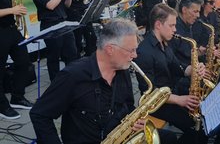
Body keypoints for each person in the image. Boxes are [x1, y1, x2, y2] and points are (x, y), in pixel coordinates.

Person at [30, 19, 177, 144]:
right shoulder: (73, 76)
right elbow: (39, 115)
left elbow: (127, 105)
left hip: (119, 135)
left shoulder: (123, 70)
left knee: (169, 138)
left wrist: (137, 121)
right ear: (110, 49)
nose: (135, 55)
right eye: (131, 50)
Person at [134, 4, 208, 144]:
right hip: (157, 105)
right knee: (197, 127)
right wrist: (179, 100)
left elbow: (180, 70)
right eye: (172, 25)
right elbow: (148, 93)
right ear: (158, 25)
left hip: (172, 95)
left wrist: (194, 69)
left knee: (203, 120)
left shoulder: (165, 44)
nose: (175, 29)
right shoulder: (144, 52)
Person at [32, 0, 77, 81]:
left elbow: (66, 5)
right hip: (50, 24)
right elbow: (50, 6)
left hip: (63, 23)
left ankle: (72, 81)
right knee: (54, 57)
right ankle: (56, 84)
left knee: (72, 53)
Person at [0, 0, 33, 120]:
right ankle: (2, 106)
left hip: (12, 29)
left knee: (24, 62)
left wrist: (15, 13)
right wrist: (12, 10)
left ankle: (17, 97)